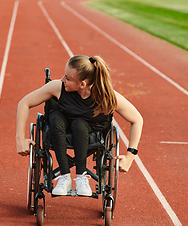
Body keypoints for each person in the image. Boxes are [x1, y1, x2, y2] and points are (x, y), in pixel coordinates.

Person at [16, 55, 143, 196]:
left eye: (68, 78)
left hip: (88, 132)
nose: (63, 80)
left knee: (79, 124)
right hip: (59, 128)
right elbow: (24, 102)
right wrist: (20, 140)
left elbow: (137, 119)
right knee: (56, 117)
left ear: (82, 84)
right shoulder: (58, 87)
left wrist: (130, 157)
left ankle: (82, 176)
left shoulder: (108, 97)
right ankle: (64, 176)